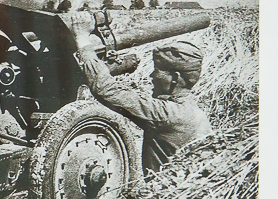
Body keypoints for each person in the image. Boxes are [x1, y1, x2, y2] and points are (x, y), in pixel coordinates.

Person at [73, 30, 212, 174]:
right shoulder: (196, 113)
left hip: (162, 187)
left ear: (175, 78)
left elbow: (106, 90)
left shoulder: (168, 115)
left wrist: (83, 42)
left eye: (158, 71)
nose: (152, 76)